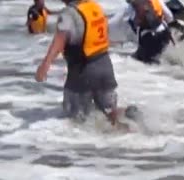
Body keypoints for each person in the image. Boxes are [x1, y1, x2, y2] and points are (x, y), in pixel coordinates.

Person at [35, 0, 134, 128]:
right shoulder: (95, 8)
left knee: (75, 119)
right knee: (110, 115)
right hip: (105, 66)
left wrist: (45, 65)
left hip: (82, 71)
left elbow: (59, 40)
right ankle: (131, 118)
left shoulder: (69, 14)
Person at [109, 0, 175, 64]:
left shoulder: (126, 12)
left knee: (134, 61)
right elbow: (170, 17)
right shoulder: (156, 1)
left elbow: (111, 32)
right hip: (165, 34)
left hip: (148, 40)